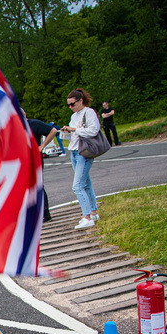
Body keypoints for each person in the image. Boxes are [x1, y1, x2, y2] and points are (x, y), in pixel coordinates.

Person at [59, 88, 101, 229]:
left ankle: (87, 217)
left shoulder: (89, 112)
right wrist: (67, 132)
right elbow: (74, 134)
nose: (70, 107)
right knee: (85, 183)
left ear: (81, 100)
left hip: (84, 152)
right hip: (74, 151)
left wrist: (75, 130)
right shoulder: (74, 116)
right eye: (68, 105)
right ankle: (93, 212)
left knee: (77, 186)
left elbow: (94, 131)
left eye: (72, 104)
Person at [27, 119, 59, 222]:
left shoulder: (33, 124)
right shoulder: (15, 127)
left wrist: (42, 146)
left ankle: (45, 213)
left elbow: (53, 131)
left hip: (35, 159)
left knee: (37, 185)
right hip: (23, 160)